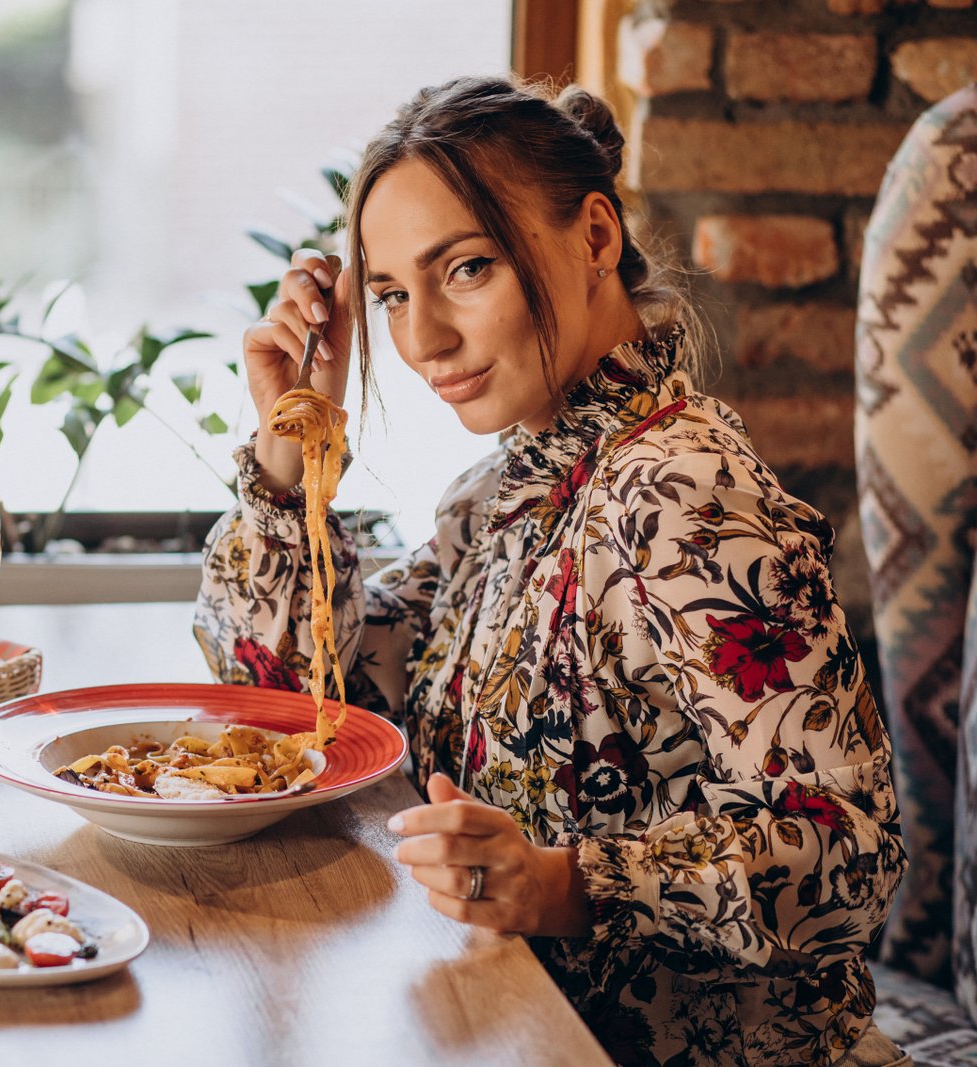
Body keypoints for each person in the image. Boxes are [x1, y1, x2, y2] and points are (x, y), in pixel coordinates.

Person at [194, 75, 905, 1067]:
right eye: (393, 294)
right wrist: (290, 452)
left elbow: (848, 848)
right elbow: (295, 718)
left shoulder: (681, 495)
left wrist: (568, 883)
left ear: (597, 239)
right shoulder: (499, 496)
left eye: (467, 269)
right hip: (509, 1032)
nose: (422, 340)